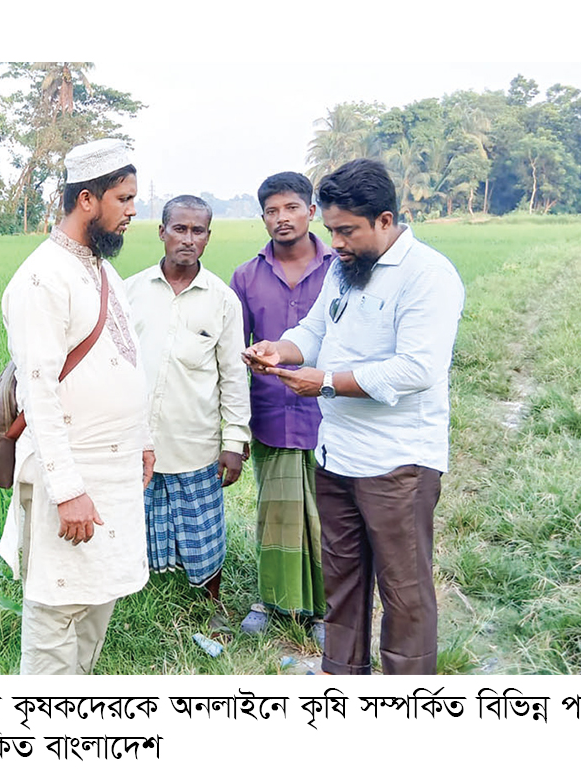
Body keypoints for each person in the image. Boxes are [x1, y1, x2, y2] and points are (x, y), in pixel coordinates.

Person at [243, 159, 465, 675]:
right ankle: (341, 679)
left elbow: (417, 368)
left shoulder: (428, 276)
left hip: (398, 464)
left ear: (385, 220)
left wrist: (324, 381)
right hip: (337, 454)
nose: (336, 243)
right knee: (342, 583)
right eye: (332, 231)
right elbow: (315, 329)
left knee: (404, 591)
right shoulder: (344, 271)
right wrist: (281, 350)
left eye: (347, 231)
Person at [0, 138, 155, 674]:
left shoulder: (104, 271)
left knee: (95, 606)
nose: (134, 210)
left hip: (115, 470)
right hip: (72, 473)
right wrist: (68, 491)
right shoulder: (41, 278)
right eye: (124, 199)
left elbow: (126, 359)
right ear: (87, 200)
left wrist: (145, 439)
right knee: (57, 615)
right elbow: (38, 391)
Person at [125, 195, 251, 626]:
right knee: (132, 524)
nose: (188, 239)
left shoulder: (223, 301)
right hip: (133, 440)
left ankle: (211, 603)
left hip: (193, 439)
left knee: (203, 531)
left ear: (208, 237)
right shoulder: (131, 292)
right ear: (161, 232)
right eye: (179, 228)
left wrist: (234, 442)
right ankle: (130, 598)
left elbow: (234, 376)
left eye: (198, 231)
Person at [229, 172, 332, 645]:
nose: (281, 218)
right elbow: (234, 352)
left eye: (291, 207)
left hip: (335, 416)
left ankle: (330, 610)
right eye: (271, 211)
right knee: (276, 514)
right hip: (270, 415)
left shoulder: (341, 269)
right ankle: (272, 601)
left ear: (311, 212)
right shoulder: (247, 276)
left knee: (331, 517)